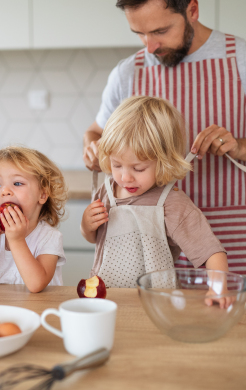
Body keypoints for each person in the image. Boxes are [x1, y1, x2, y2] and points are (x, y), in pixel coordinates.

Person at [82, 0, 246, 291]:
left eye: (160, 30)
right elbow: (95, 134)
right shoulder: (127, 73)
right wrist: (95, 149)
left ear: (192, 10)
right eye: (139, 33)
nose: (151, 46)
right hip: (143, 240)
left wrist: (240, 146)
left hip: (224, 238)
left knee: (228, 324)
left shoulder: (245, 60)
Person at [82, 96, 233, 308]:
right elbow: (94, 239)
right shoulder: (107, 191)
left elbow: (210, 251)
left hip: (156, 303)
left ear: (165, 162)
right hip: (106, 300)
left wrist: (218, 289)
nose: (125, 178)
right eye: (117, 165)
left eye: (138, 168)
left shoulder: (171, 203)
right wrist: (86, 225)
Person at [0, 146, 68, 293]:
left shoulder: (49, 237)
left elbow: (36, 284)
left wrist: (17, 240)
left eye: (17, 183)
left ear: (42, 194)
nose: (5, 191)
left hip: (37, 311)